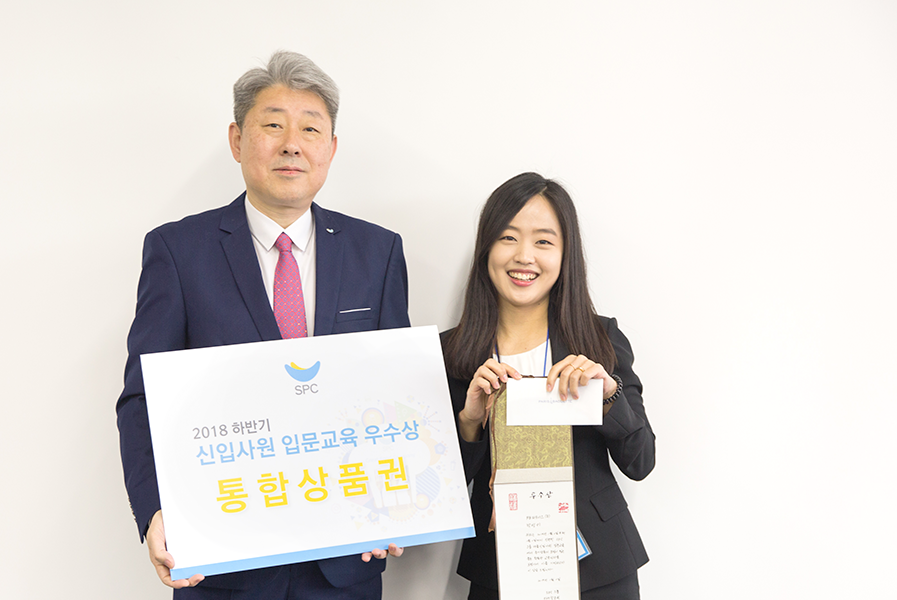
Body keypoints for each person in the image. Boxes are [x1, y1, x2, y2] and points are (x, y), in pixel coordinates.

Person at [117, 50, 408, 600]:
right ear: (236, 140)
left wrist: (400, 501)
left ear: (331, 148)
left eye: (310, 129)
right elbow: (142, 398)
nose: (292, 144)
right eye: (273, 125)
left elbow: (395, 393)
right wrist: (155, 511)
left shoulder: (378, 252)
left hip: (346, 563)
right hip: (221, 563)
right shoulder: (178, 252)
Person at [441, 172, 655, 599]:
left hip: (599, 567)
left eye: (543, 241)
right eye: (508, 238)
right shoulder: (451, 352)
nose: (524, 256)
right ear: (486, 248)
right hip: (498, 568)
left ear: (565, 254)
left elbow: (641, 461)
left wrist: (607, 394)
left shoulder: (599, 339)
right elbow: (438, 490)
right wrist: (468, 423)